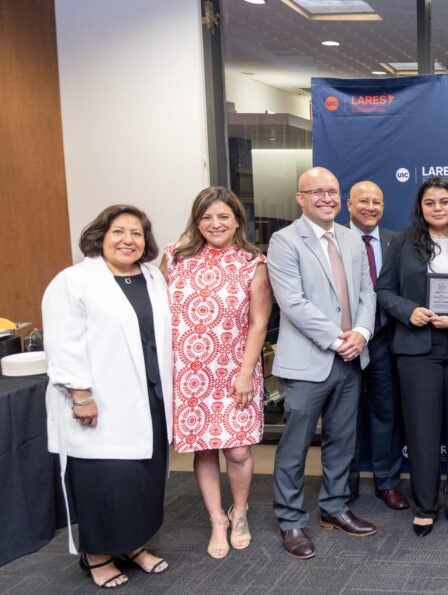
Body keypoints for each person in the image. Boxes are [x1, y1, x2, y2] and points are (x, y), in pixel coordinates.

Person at [43, 205, 172, 588]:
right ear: (100, 236)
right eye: (119, 231)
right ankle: (97, 555)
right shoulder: (74, 281)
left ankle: (131, 545)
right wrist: (81, 395)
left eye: (137, 233)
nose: (128, 240)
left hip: (150, 395)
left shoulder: (152, 277)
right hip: (99, 400)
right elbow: (62, 343)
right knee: (106, 480)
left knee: (143, 479)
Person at [266, 167, 378, 560]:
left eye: (332, 191)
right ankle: (291, 519)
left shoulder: (350, 239)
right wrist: (336, 340)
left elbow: (368, 292)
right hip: (308, 361)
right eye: (317, 192)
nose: (327, 198)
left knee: (342, 441)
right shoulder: (283, 241)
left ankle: (334, 508)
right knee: (295, 447)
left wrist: (361, 333)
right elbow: (291, 302)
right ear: (301, 198)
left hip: (350, 358)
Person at [376, 177, 448, 537]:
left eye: (444, 201)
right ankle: (425, 504)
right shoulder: (401, 242)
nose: (438, 208)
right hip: (416, 347)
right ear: (420, 207)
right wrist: (408, 310)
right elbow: (384, 289)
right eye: (430, 203)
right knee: (422, 429)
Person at [162, 187, 272, 559]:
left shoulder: (252, 261)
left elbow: (259, 324)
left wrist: (245, 373)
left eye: (223, 216)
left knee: (238, 451)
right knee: (204, 450)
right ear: (197, 221)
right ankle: (216, 521)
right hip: (189, 374)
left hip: (233, 372)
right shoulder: (174, 257)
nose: (215, 224)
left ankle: (239, 512)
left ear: (237, 220)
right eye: (207, 217)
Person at [345, 180, 408, 511]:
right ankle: (345, 485)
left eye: (377, 202)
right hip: (345, 343)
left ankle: (388, 483)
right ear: (349, 205)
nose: (371, 207)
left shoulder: (396, 240)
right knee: (345, 416)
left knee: (386, 414)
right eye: (363, 201)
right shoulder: (336, 240)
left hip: (385, 339)